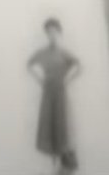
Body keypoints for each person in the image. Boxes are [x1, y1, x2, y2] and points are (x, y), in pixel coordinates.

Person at [28, 18, 82, 173]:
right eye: (49, 32)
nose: (52, 35)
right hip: (48, 93)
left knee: (62, 125)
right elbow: (29, 64)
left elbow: (79, 66)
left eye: (54, 32)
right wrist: (39, 80)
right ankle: (56, 165)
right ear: (46, 34)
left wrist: (68, 80)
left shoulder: (64, 53)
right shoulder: (42, 53)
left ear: (59, 33)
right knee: (50, 126)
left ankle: (66, 163)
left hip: (60, 93)